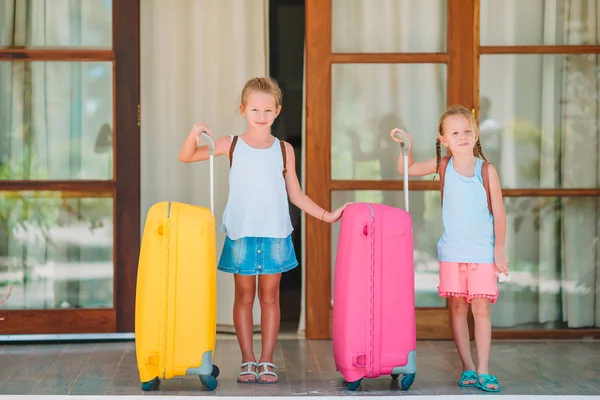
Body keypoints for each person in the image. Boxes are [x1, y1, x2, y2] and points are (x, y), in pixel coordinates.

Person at [178, 77, 350, 384]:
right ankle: (247, 360)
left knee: (270, 298)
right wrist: (194, 133)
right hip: (241, 233)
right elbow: (187, 156)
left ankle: (267, 360)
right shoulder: (230, 144)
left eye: (267, 110)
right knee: (244, 297)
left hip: (276, 235)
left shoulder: (284, 150)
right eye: (255, 109)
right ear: (243, 110)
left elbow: (295, 194)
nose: (261, 115)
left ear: (278, 111)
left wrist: (326, 215)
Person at [390, 105, 509, 393]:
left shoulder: (486, 170)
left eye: (468, 131)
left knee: (480, 310)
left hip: (482, 253)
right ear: (444, 140)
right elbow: (405, 169)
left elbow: (501, 213)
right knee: (457, 308)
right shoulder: (443, 165)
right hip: (453, 252)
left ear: (476, 133)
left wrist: (499, 251)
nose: (463, 136)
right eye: (455, 133)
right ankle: (467, 366)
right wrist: (409, 147)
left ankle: (483, 369)